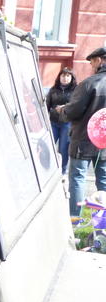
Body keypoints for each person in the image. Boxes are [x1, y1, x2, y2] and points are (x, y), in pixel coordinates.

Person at [57, 47, 106, 218]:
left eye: (92, 62)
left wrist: (62, 110)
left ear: (99, 60)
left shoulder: (89, 83)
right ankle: (102, 221)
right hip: (104, 142)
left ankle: (75, 218)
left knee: (78, 178)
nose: (91, 65)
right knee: (104, 180)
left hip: (83, 140)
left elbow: (73, 111)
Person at [46, 67, 77, 176]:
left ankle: (62, 172)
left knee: (63, 149)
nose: (65, 78)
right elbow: (47, 105)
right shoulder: (53, 90)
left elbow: (76, 105)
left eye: (68, 76)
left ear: (72, 78)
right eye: (63, 75)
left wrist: (65, 107)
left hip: (67, 124)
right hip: (53, 123)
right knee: (48, 146)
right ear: (59, 77)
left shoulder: (76, 90)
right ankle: (47, 170)